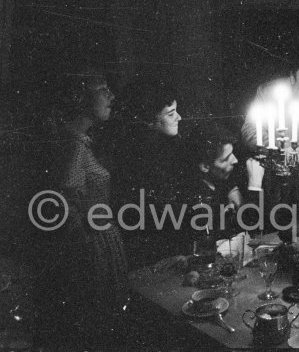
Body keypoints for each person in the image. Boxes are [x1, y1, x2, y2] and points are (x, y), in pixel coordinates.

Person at [36, 69, 128, 347]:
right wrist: (93, 244)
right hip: (91, 247)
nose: (111, 95)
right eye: (103, 89)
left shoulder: (76, 139)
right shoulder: (75, 144)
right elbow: (65, 202)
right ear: (80, 98)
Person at [114, 81, 189, 268]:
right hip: (150, 251)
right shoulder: (135, 159)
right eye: (171, 114)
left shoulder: (174, 147)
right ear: (149, 120)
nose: (179, 117)